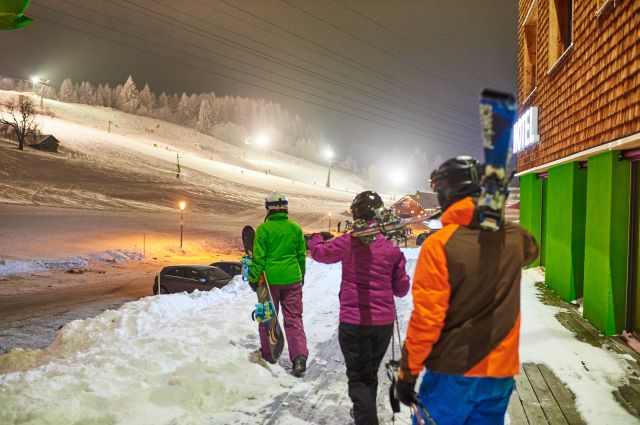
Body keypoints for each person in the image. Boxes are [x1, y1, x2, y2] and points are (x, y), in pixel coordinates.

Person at [395, 156, 539, 425]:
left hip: (452, 372)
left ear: (448, 193)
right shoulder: (512, 237)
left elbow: (427, 320)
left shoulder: (439, 246)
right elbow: (532, 248)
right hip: (500, 372)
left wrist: (408, 372)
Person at [310, 190, 411, 425]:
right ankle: (365, 412)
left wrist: (316, 237)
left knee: (359, 379)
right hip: (382, 325)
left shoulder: (349, 241)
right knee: (368, 375)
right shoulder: (391, 246)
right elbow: (402, 289)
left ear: (357, 214)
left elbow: (320, 253)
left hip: (354, 324)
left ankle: (366, 418)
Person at [249, 191, 309, 377]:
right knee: (294, 319)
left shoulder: (263, 230)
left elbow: (259, 259)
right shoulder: (296, 228)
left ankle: (269, 355)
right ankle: (299, 358)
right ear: (285, 207)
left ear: (268, 208)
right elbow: (301, 256)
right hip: (293, 279)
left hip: (269, 282)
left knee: (268, 318)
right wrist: (301, 275)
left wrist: (253, 278)